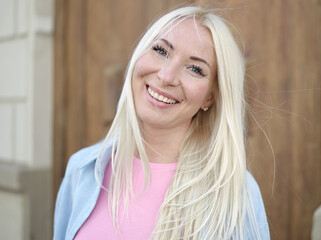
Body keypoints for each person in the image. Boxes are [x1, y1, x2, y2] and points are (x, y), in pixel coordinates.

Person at [54, 5, 269, 240]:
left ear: (210, 96)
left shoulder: (237, 195)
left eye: (195, 69)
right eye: (161, 50)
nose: (166, 76)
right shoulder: (83, 170)